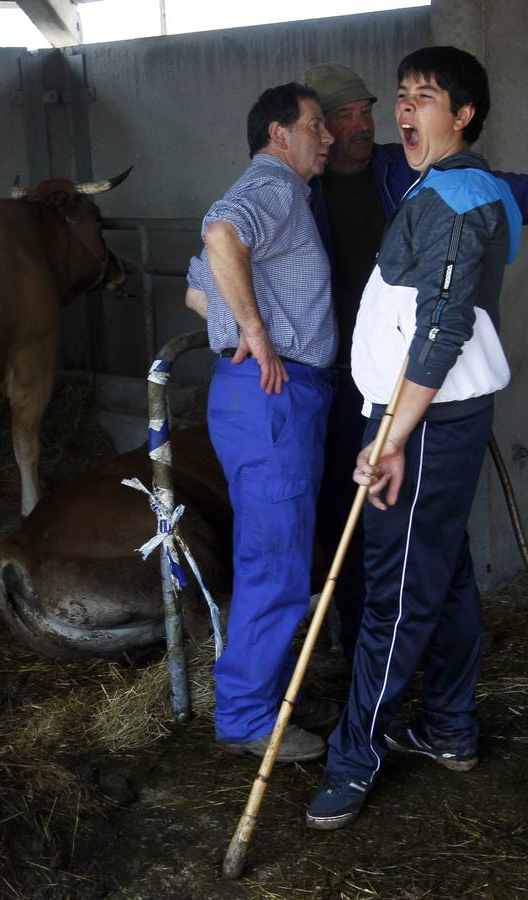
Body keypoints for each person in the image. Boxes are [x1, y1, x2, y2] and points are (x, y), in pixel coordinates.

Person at [306, 46, 528, 829]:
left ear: (463, 115)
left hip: (423, 419)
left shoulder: (458, 197)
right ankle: (448, 725)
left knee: (394, 592)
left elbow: (441, 328)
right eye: (402, 95)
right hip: (426, 415)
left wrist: (392, 437)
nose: (405, 110)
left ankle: (354, 758)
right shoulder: (449, 184)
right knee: (447, 572)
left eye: (425, 97)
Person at [300, 62, 528, 659]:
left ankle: (407, 669)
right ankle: (362, 652)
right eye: (343, 116)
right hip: (342, 375)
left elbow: (486, 189)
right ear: (318, 128)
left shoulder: (400, 168)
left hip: (418, 381)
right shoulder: (300, 190)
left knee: (412, 530)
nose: (362, 125)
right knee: (358, 518)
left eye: (366, 110)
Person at [182, 83, 341, 763]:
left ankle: (271, 696)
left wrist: (236, 323)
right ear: (280, 134)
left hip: (262, 394)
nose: (327, 138)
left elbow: (197, 289)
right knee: (275, 560)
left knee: (278, 552)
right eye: (316, 125)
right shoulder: (273, 186)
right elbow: (220, 235)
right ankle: (248, 717)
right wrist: (254, 332)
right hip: (274, 391)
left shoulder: (282, 194)